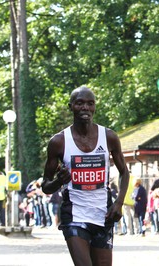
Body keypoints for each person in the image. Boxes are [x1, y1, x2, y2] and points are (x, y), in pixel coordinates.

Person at [41, 86, 129, 266]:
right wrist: (59, 181)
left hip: (103, 214)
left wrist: (118, 203)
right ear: (71, 106)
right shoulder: (59, 141)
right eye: (80, 103)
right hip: (74, 215)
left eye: (90, 103)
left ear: (95, 107)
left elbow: (124, 173)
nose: (85, 108)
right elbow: (45, 186)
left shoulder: (109, 137)